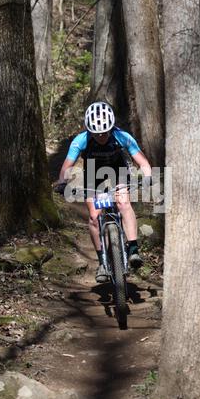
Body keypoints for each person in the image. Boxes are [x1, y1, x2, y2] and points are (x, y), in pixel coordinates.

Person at [57, 101, 152, 283]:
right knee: (94, 216)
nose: (101, 136)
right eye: (96, 133)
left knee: (123, 203)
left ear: (111, 128)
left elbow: (143, 162)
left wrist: (147, 176)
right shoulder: (81, 140)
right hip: (93, 174)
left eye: (104, 132)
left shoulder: (122, 136)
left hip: (119, 171)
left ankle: (133, 250)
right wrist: (62, 183)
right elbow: (66, 167)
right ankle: (102, 262)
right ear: (89, 130)